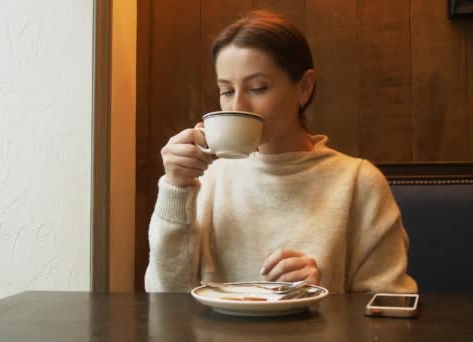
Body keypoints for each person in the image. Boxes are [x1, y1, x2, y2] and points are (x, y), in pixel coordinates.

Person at [145, 10, 417, 294]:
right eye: (226, 91)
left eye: (257, 88)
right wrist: (176, 187)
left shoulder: (358, 182)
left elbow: (389, 308)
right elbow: (165, 297)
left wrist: (323, 294)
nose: (238, 105)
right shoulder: (208, 178)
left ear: (304, 88)